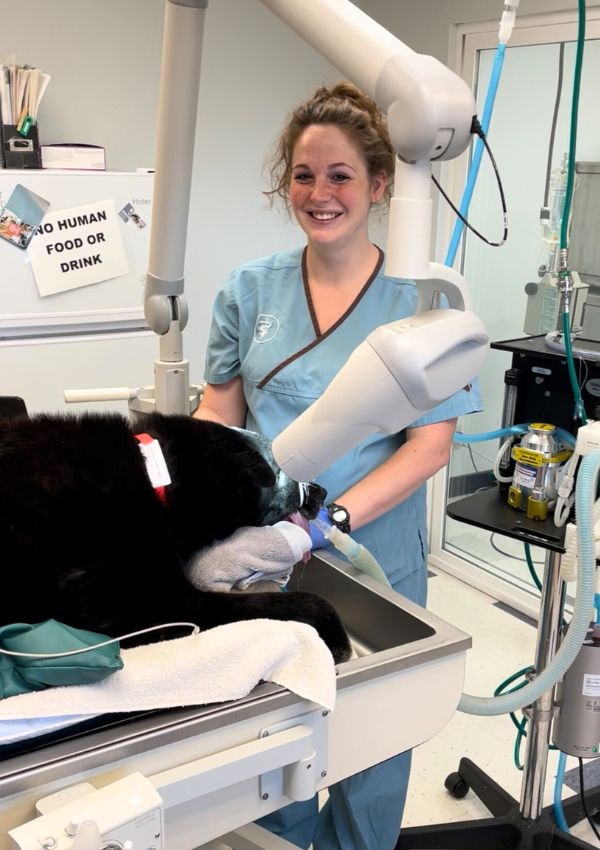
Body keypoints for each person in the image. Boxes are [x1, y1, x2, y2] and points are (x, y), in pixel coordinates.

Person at [195, 82, 482, 850]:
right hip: (263, 556)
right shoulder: (250, 289)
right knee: (271, 747)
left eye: (341, 175)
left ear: (380, 183)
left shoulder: (423, 304)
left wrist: (330, 522)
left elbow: (429, 445)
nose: (319, 194)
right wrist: (185, 486)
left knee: (371, 754)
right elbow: (219, 409)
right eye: (302, 174)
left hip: (370, 556)